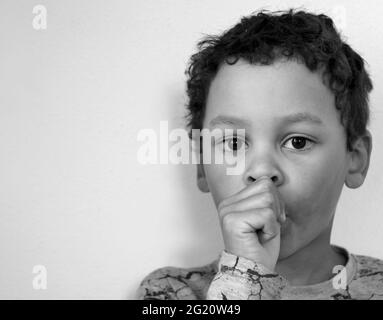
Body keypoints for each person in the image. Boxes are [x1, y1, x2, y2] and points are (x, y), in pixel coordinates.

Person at [137, 8, 383, 299]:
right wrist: (245, 276)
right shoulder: (169, 292)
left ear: (355, 160)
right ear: (202, 164)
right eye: (233, 144)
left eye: (298, 142)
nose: (262, 171)